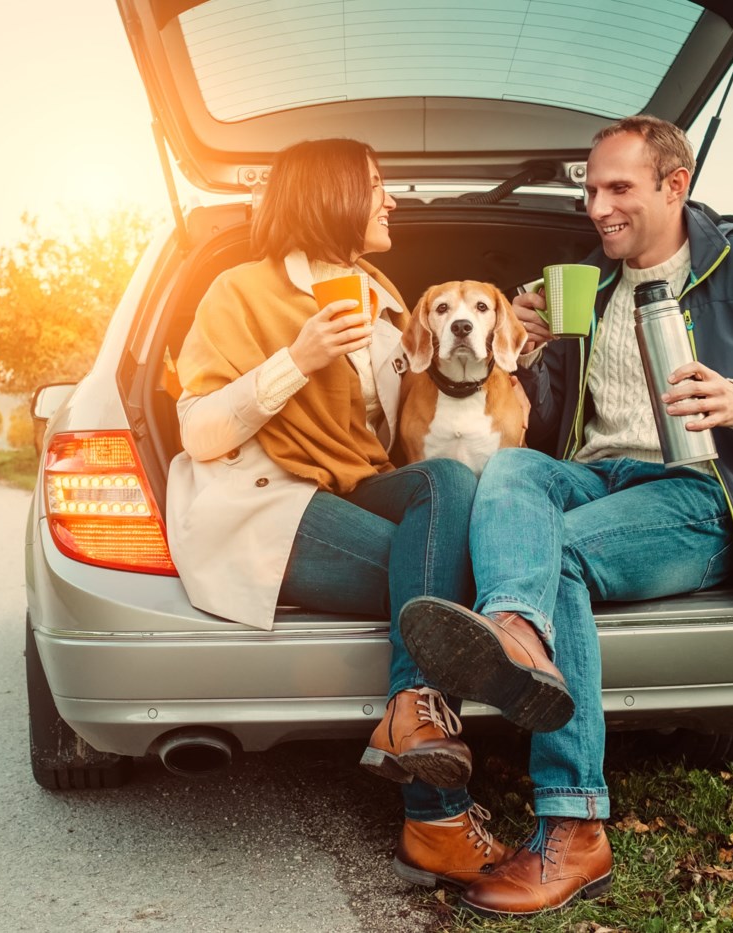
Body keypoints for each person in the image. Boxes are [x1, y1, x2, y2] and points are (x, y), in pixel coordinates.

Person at [396, 114, 733, 918]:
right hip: (596, 475)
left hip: (704, 491)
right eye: (590, 191)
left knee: (557, 554)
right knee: (511, 468)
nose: (597, 207)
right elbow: (550, 418)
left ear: (674, 185)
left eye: (618, 188)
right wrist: (532, 354)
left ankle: (573, 824)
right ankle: (517, 628)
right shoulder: (589, 282)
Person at [166, 138, 508, 888]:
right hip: (270, 499)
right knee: (439, 581)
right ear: (332, 196)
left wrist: (510, 343)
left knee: (445, 483)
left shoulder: (381, 295)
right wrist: (299, 356)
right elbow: (200, 432)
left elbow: (414, 418)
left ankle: (409, 715)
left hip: (355, 486)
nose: (390, 200)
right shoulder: (238, 292)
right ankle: (437, 816)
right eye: (377, 185)